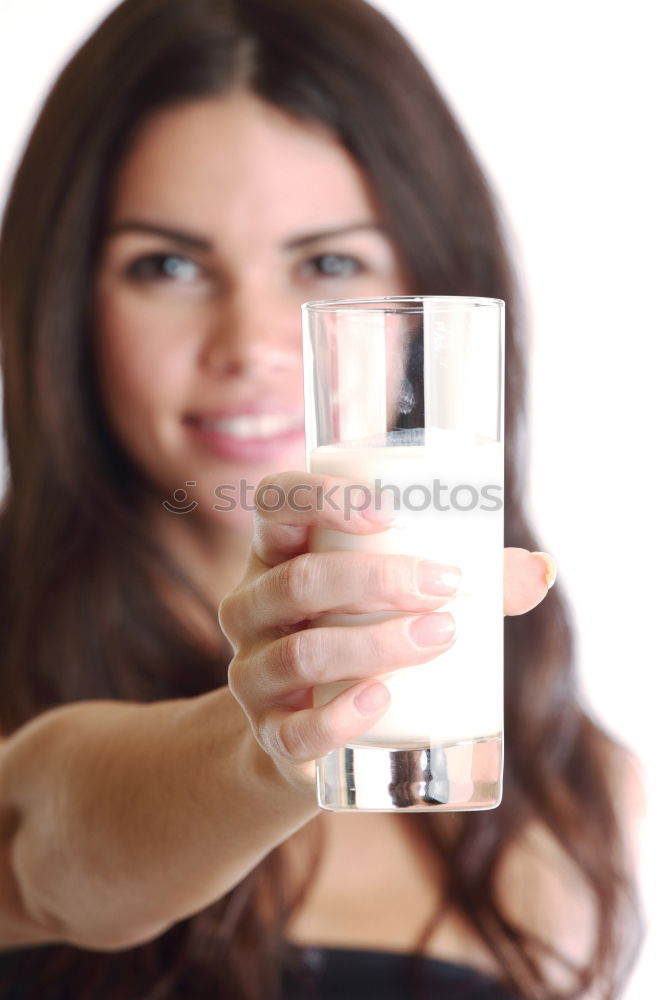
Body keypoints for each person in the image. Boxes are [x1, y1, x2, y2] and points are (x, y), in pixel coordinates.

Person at [0, 0, 642, 998]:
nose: (251, 342)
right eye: (166, 265)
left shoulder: (572, 787)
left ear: (434, 286)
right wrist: (277, 741)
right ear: (64, 306)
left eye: (329, 263)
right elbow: (48, 839)